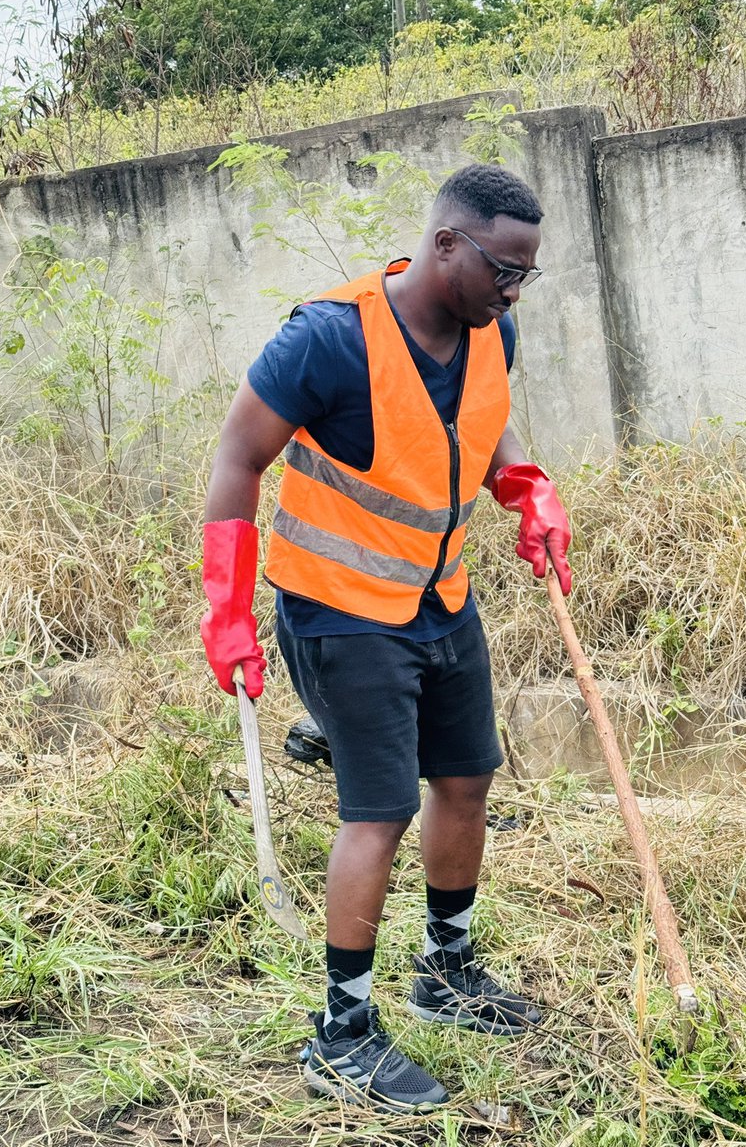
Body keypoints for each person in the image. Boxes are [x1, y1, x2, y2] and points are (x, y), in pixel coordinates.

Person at [201, 163, 572, 1113]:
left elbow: (472, 430)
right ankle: (342, 1031)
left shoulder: (495, 328)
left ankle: (445, 974)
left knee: (466, 778)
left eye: (527, 272)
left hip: (440, 598)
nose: (515, 288)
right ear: (447, 244)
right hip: (339, 609)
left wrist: (524, 487)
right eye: (503, 268)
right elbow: (239, 457)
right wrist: (229, 609)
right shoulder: (330, 338)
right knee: (380, 810)